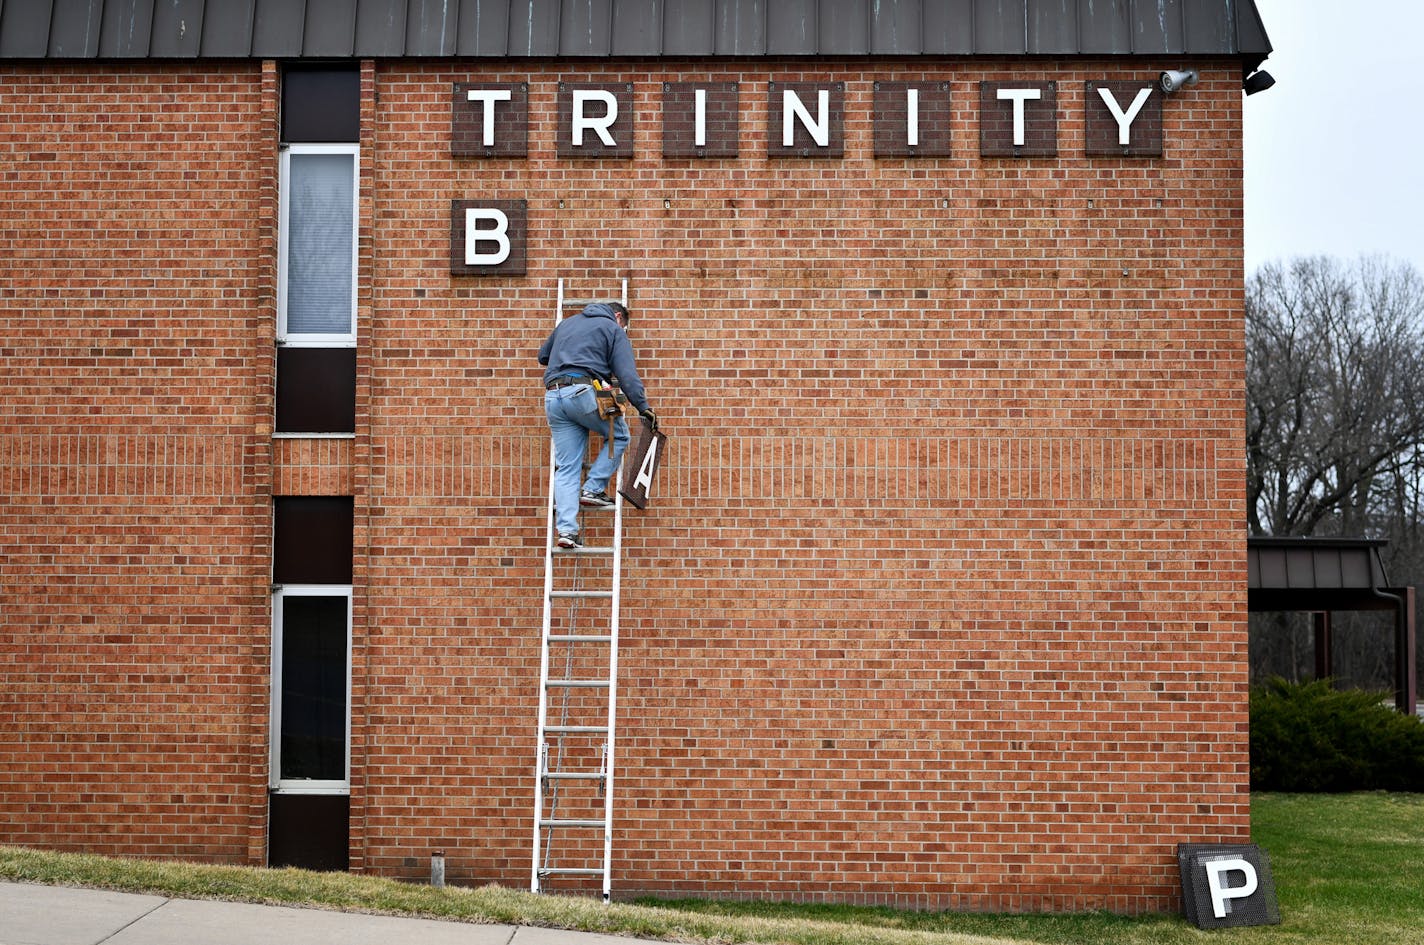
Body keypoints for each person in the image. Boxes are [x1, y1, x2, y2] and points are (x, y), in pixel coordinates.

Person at [538, 301, 658, 548]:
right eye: (623, 325)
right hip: (582, 393)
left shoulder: (567, 323)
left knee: (567, 467)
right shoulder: (611, 328)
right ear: (617, 316)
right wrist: (642, 406)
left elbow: (543, 356)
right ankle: (593, 488)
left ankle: (567, 533)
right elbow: (626, 373)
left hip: (553, 397)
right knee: (619, 435)